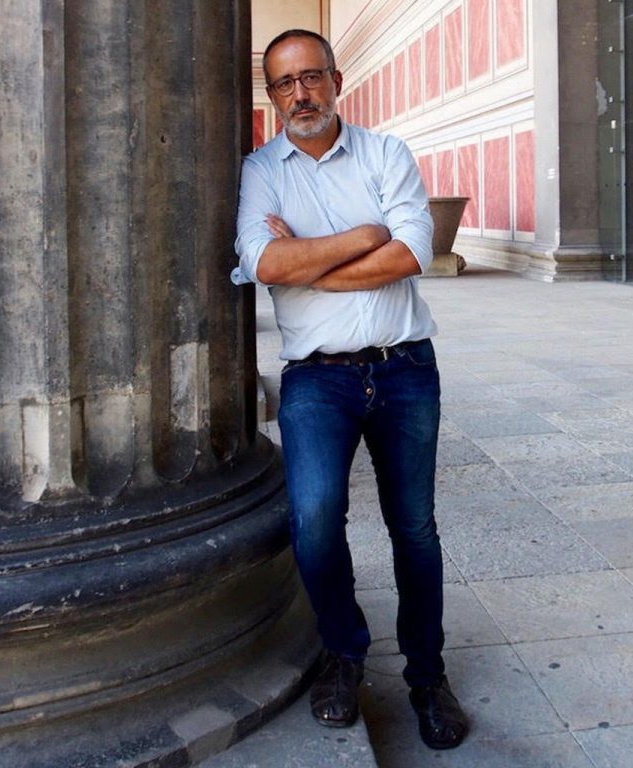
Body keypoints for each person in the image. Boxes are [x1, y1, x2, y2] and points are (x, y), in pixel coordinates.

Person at [231, 29, 468, 751]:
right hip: (316, 379)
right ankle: (343, 651)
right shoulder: (260, 170)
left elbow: (412, 251)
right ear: (271, 95)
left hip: (404, 368)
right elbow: (263, 262)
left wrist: (311, 266)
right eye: (284, 83)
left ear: (336, 81)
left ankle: (427, 675)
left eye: (311, 77)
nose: (300, 93)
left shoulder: (385, 153)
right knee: (312, 520)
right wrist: (366, 235)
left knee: (414, 528)